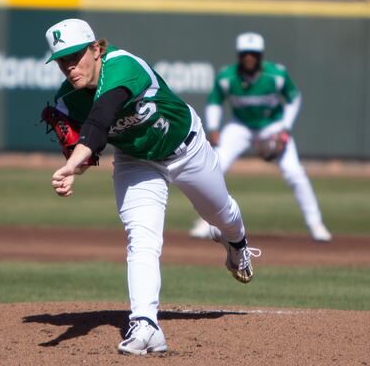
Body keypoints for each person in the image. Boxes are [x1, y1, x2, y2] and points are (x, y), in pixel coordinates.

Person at [44, 18, 260, 355]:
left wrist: (71, 164)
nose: (71, 67)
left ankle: (237, 242)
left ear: (96, 49)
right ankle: (145, 325)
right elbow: (89, 148)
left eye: (76, 57)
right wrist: (77, 166)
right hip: (137, 161)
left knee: (219, 212)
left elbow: (102, 116)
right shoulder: (67, 99)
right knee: (141, 237)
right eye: (63, 61)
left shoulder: (123, 66)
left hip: (187, 149)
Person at [188, 32, 333, 242]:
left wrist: (285, 128)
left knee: (294, 173)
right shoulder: (227, 77)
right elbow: (214, 103)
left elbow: (294, 98)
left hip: (272, 126)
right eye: (245, 53)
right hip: (240, 126)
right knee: (215, 166)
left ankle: (316, 223)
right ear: (239, 55)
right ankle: (207, 222)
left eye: (253, 54)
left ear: (260, 55)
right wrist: (214, 128)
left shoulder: (276, 75)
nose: (249, 58)